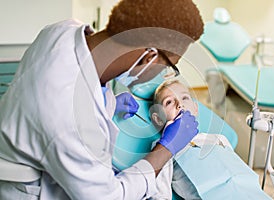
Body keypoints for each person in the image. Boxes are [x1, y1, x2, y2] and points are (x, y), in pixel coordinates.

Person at [0, 0, 204, 199]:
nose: (166, 74)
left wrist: (108, 102)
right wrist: (166, 149)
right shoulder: (70, 117)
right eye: (169, 66)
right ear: (148, 57)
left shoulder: (61, 30)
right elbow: (108, 196)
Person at [150, 80, 272, 199]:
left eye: (185, 98)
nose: (180, 104)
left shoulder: (219, 139)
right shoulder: (164, 148)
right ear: (158, 119)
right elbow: (160, 194)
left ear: (195, 108)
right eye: (169, 102)